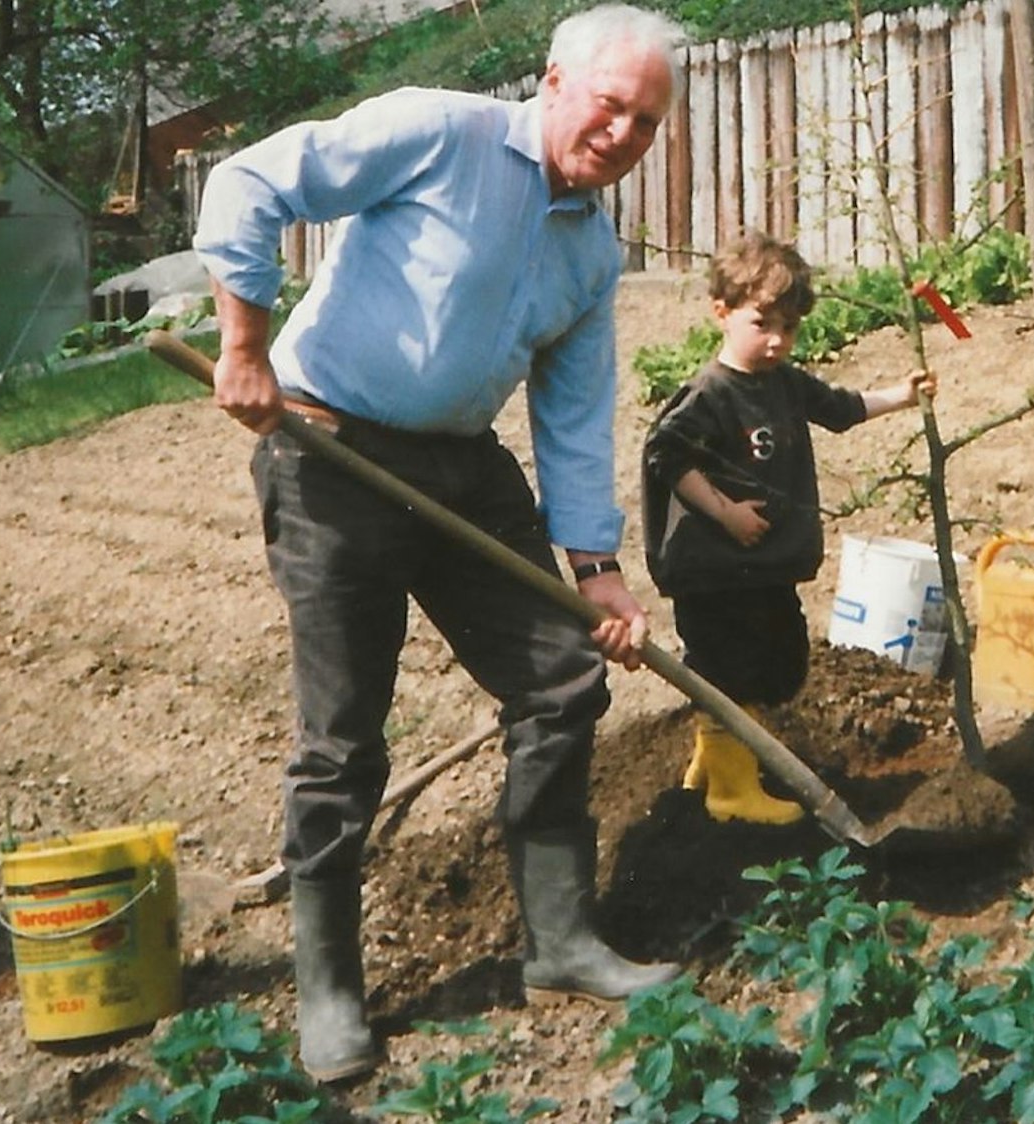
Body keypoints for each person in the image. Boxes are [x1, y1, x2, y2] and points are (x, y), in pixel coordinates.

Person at [192, 4, 686, 1084]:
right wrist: (244, 342)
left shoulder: (590, 250)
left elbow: (572, 412)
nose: (623, 135)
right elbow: (247, 181)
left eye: (647, 123)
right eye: (613, 106)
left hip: (462, 466)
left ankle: (561, 940)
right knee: (345, 735)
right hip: (328, 446)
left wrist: (596, 570)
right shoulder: (437, 130)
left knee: (563, 682)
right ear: (556, 82)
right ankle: (329, 992)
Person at [643, 230, 937, 824]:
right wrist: (723, 511)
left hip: (763, 567)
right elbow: (666, 456)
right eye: (762, 324)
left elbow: (841, 408)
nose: (777, 341)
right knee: (733, 670)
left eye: (790, 328)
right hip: (717, 573)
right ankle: (731, 791)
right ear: (721, 313)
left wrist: (901, 397)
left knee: (778, 664)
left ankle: (712, 760)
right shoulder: (709, 394)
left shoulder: (783, 383)